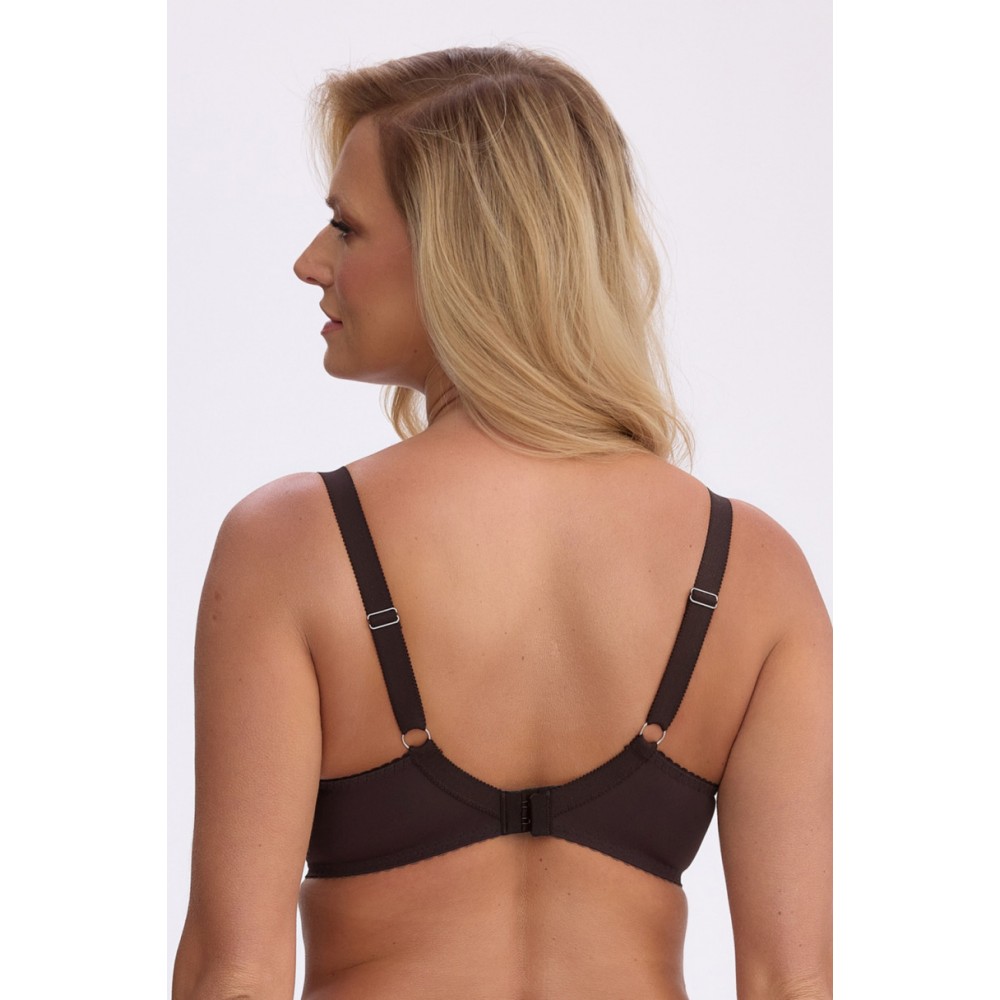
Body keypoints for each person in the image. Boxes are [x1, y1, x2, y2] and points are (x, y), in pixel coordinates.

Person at [172, 46, 831, 1000]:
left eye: (346, 227)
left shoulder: (294, 545)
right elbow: (790, 983)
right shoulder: (755, 572)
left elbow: (235, 974)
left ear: (460, 249)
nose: (311, 262)